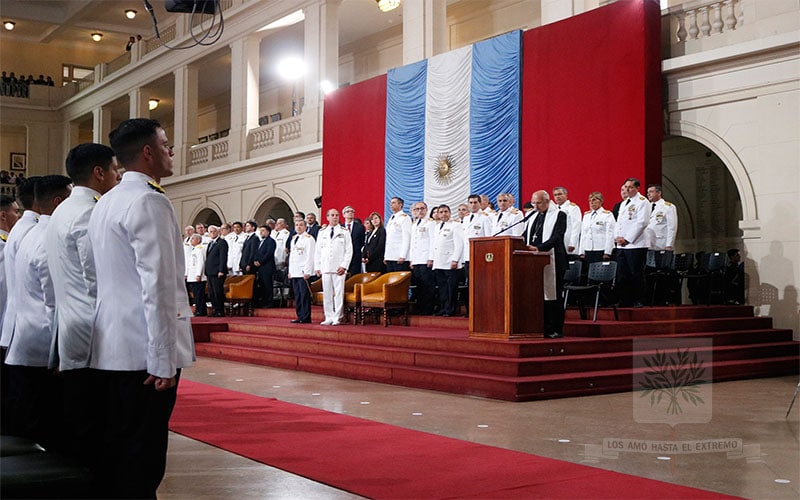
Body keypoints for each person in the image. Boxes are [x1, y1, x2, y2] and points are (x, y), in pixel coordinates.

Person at [88, 118, 195, 498]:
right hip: (144, 356)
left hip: (112, 347)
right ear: (147, 153)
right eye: (166, 145)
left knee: (118, 451)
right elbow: (159, 285)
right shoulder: (149, 200)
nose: (171, 152)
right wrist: (164, 359)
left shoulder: (108, 201)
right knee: (143, 459)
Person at [46, 144, 120, 468]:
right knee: (94, 422)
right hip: (93, 327)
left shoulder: (61, 209)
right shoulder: (90, 210)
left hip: (71, 324)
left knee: (79, 415)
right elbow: (97, 277)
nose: (119, 176)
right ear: (98, 172)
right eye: (115, 170)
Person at [4, 175, 72, 447]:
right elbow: (53, 302)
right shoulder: (46, 238)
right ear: (58, 203)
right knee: (43, 425)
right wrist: (61, 352)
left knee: (29, 418)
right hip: (41, 342)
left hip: (26, 335)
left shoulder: (31, 231)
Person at [524, 190, 567, 338]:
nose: (535, 206)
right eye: (533, 203)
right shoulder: (532, 216)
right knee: (538, 296)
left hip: (554, 260)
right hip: (534, 262)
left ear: (548, 201)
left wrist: (539, 248)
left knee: (553, 296)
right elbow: (525, 236)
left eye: (539, 203)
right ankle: (540, 326)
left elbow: (557, 237)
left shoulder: (560, 215)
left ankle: (555, 328)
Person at [614, 177, 652, 307]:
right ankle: (625, 299)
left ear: (637, 188)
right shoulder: (625, 203)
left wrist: (628, 239)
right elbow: (619, 223)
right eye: (626, 187)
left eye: (630, 187)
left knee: (636, 272)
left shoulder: (643, 201)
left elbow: (642, 223)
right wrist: (617, 238)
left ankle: (639, 299)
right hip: (622, 245)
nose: (627, 189)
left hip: (636, 244)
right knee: (622, 273)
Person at [314, 208, 352, 325]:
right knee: (327, 293)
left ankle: (337, 317)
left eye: (336, 215)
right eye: (332, 215)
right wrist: (317, 266)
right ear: (327, 217)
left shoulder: (344, 232)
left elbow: (349, 250)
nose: (334, 217)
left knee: (339, 293)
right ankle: (328, 316)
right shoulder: (322, 232)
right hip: (326, 267)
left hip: (338, 268)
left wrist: (344, 266)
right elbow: (318, 251)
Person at [429, 205, 465, 317]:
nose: (444, 214)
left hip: (450, 261)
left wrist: (455, 260)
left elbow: (459, 244)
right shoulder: (437, 226)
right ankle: (443, 308)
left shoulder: (456, 225)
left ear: (450, 213)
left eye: (446, 211)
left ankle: (450, 309)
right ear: (438, 214)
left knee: (451, 288)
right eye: (441, 212)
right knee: (442, 288)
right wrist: (432, 259)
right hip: (439, 262)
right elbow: (434, 245)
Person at [461, 194, 491, 315]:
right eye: (471, 203)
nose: (473, 205)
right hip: (468, 256)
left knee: (480, 285)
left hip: (479, 256)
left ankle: (481, 309)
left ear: (480, 203)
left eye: (475, 202)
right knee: (470, 285)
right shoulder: (466, 218)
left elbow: (489, 238)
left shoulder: (485, 218)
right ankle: (471, 310)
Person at [409, 201, 436, 315]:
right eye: (417, 209)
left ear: (426, 210)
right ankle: (419, 307)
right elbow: (413, 243)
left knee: (427, 285)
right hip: (416, 259)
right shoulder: (414, 224)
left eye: (422, 209)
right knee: (418, 285)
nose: (420, 211)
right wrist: (411, 259)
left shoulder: (430, 223)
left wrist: (431, 258)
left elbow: (433, 242)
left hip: (425, 258)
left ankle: (428, 309)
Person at [288, 219, 316, 323]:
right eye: (296, 225)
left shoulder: (309, 239)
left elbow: (310, 256)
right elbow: (292, 256)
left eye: (301, 225)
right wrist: (290, 271)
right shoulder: (294, 238)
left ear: (305, 227)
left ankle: (306, 317)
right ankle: (299, 316)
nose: (298, 227)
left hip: (304, 272)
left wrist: (307, 271)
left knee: (304, 295)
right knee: (298, 295)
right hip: (295, 271)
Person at [578, 192, 615, 265]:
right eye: (590, 200)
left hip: (601, 249)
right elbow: (584, 234)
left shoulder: (607, 215)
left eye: (594, 200)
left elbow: (610, 234)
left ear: (601, 201)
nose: (591, 202)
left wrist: (607, 252)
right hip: (588, 249)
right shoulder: (586, 215)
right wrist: (581, 251)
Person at [204, 225, 228, 317]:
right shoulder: (210, 243)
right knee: (212, 292)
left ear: (218, 232)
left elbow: (223, 257)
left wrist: (221, 270)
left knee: (218, 292)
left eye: (214, 231)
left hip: (218, 271)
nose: (212, 233)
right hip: (210, 272)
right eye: (210, 231)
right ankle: (215, 309)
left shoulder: (222, 242)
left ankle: (220, 310)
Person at [646, 184, 678, 251]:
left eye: (651, 192)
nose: (648, 194)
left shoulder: (668, 207)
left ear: (659, 193)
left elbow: (672, 227)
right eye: (648, 192)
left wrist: (669, 244)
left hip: (661, 243)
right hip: (647, 243)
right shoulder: (647, 206)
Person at [552, 186, 582, 256]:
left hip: (567, 242)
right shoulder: (554, 209)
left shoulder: (573, 208)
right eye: (555, 195)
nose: (557, 197)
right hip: (556, 242)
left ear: (566, 195)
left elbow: (576, 226)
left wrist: (572, 243)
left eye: (560, 194)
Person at [384, 196, 412, 272]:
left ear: (400, 204)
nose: (391, 205)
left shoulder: (405, 218)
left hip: (399, 256)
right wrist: (386, 256)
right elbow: (389, 239)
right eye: (391, 203)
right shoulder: (391, 218)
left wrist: (403, 255)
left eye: (393, 203)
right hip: (390, 256)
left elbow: (407, 238)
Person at [253, 225, 276, 307]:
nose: (261, 232)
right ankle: (263, 301)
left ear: (268, 232)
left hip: (267, 266)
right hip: (260, 267)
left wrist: (260, 261)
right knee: (262, 284)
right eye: (260, 230)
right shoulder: (260, 241)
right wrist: (255, 260)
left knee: (267, 284)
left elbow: (269, 253)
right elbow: (256, 252)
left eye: (263, 230)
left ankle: (269, 302)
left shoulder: (271, 241)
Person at [186, 234, 207, 316]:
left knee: (199, 295)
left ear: (198, 240)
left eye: (193, 239)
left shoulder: (200, 249)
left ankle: (200, 310)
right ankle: (200, 309)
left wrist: (198, 274)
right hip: (192, 276)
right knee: (196, 294)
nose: (191, 240)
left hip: (198, 276)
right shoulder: (194, 249)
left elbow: (200, 263)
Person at [342, 205, 365, 277]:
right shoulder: (340, 227)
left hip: (356, 257)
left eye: (352, 211)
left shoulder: (360, 227)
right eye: (348, 211)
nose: (350, 213)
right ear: (344, 214)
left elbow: (362, 242)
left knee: (355, 278)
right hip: (343, 257)